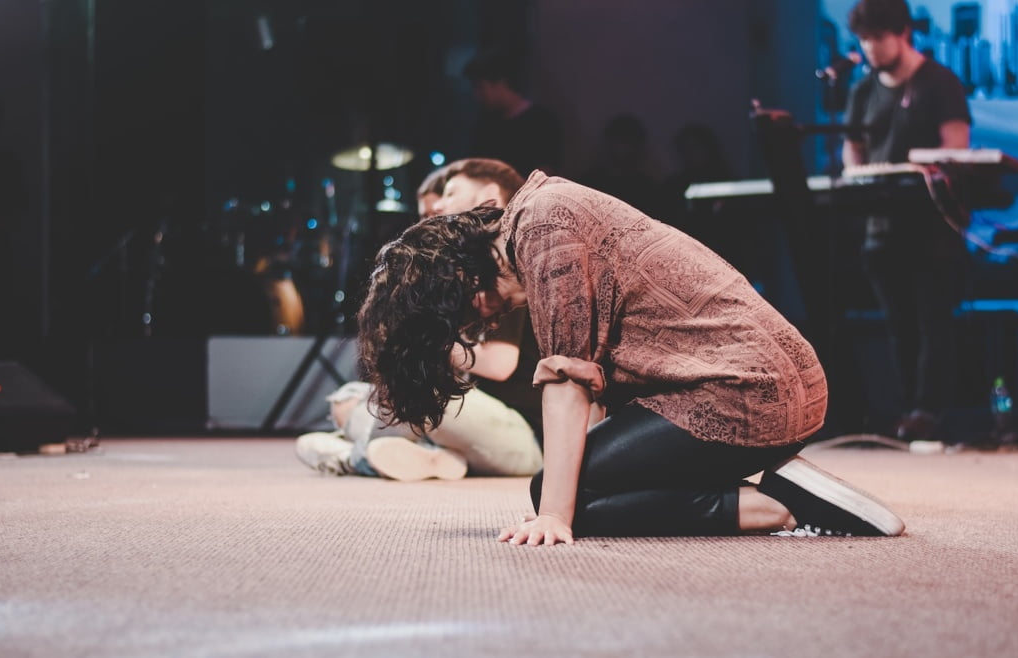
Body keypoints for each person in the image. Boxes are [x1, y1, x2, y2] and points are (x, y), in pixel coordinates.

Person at [356, 168, 907, 545]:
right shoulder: (540, 217)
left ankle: (778, 507)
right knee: (569, 483)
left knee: (556, 495)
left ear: (459, 279)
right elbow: (596, 393)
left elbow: (568, 384)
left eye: (461, 317)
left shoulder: (544, 230)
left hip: (747, 392)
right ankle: (779, 490)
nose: (477, 325)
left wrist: (553, 517)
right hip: (764, 383)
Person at [295, 158, 544, 481]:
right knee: (348, 398)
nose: (440, 204)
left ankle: (353, 457)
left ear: (490, 198)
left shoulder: (505, 270)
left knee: (403, 392)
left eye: (451, 192)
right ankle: (434, 457)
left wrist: (422, 341)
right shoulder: (469, 273)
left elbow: (499, 364)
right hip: (476, 425)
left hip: (521, 435)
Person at [841, 0, 972, 441]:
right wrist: (858, 174)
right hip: (881, 228)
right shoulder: (861, 91)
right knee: (896, 324)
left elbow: (957, 149)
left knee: (933, 321)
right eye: (863, 39)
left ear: (903, 33)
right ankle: (904, 411)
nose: (870, 48)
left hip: (932, 227)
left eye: (878, 37)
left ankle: (929, 412)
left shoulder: (940, 82)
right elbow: (852, 149)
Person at [463, 46, 563, 178]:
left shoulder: (542, 122)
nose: (477, 95)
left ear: (500, 83)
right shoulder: (485, 124)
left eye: (480, 87)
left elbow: (545, 175)